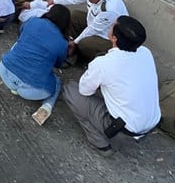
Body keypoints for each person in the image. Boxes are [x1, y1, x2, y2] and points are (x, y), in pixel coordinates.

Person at [63, 16, 161, 156]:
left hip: (124, 131)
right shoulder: (146, 53)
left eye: (112, 25)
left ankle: (101, 144)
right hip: (149, 126)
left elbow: (84, 90)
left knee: (70, 90)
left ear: (114, 38)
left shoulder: (104, 64)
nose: (110, 26)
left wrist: (94, 74)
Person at [21, 0, 128, 62]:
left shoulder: (110, 9)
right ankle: (67, 46)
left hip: (109, 37)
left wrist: (76, 42)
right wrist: (52, 1)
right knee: (75, 15)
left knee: (85, 44)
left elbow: (93, 29)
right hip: (96, 23)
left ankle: (78, 55)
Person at [0, 5, 72, 126]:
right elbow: (58, 64)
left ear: (49, 13)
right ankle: (46, 107)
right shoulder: (62, 43)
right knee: (57, 81)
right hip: (31, 91)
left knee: (17, 45)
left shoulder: (33, 21)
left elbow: (20, 34)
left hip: (4, 70)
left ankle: (14, 87)